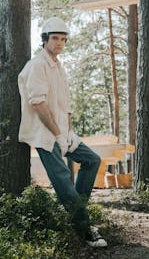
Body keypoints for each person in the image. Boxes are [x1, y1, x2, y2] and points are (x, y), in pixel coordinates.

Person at [18, 17, 107, 248]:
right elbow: (38, 103)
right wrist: (57, 135)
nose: (59, 43)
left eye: (63, 40)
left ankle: (76, 214)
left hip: (62, 132)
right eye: (55, 38)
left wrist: (68, 133)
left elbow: (65, 104)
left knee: (92, 161)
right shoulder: (37, 65)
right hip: (44, 134)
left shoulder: (58, 66)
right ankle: (85, 230)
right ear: (45, 39)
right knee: (63, 181)